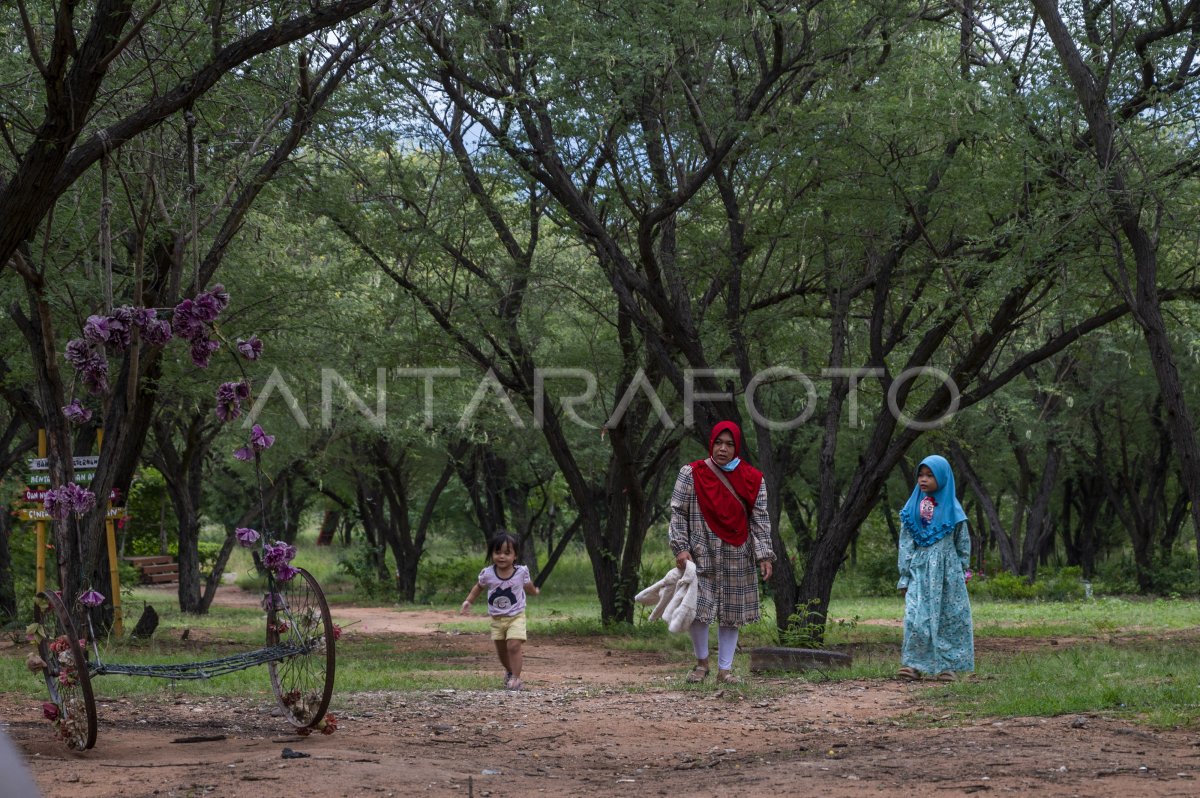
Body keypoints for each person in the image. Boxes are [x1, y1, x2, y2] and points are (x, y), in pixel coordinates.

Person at [670, 420, 775, 685]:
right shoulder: (691, 473)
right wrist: (681, 548)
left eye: (729, 444)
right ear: (711, 443)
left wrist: (764, 554)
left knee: (732, 612)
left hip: (738, 553)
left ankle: (724, 671)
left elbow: (760, 519)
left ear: (736, 447)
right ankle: (701, 664)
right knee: (698, 609)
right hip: (700, 551)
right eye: (718, 442)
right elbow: (678, 512)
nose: (723, 449)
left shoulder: (754, 478)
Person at [896, 454, 975, 681]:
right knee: (915, 617)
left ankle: (947, 667)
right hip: (919, 572)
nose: (923, 479)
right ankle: (913, 665)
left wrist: (961, 570)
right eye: (920, 475)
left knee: (949, 619)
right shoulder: (912, 510)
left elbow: (963, 543)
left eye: (930, 475)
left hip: (947, 574)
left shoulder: (953, 510)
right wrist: (904, 576)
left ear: (942, 477)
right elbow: (905, 545)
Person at [461, 530, 540, 690]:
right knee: (502, 651)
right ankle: (510, 671)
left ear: (515, 555)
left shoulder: (520, 572)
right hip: (497, 619)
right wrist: (468, 601)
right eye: (497, 552)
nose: (502, 556)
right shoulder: (488, 573)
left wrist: (534, 591)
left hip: (516, 616)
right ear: (492, 554)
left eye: (507, 552)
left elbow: (528, 585)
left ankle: (517, 679)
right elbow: (478, 588)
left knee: (513, 645)